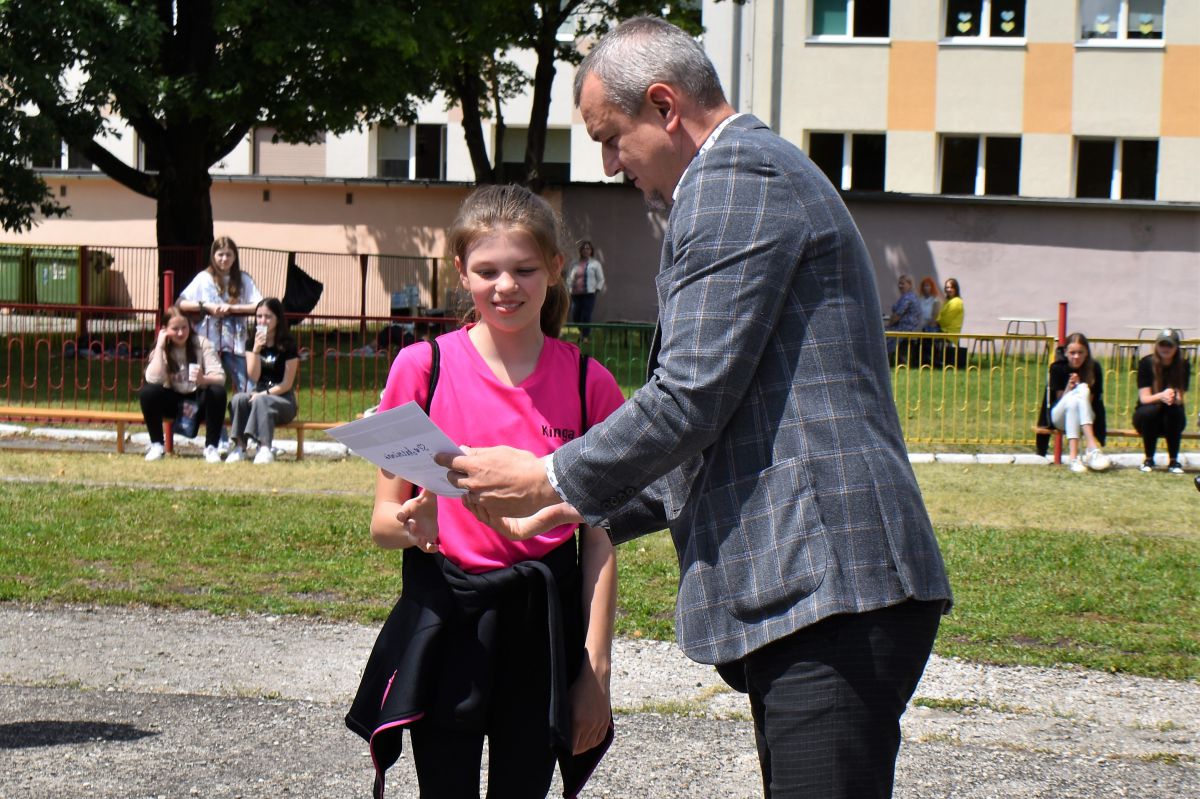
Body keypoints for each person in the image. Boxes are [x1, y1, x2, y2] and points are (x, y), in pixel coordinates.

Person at [436, 17, 952, 799]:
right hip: (822, 588)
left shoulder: (734, 179)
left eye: (611, 138)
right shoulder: (747, 176)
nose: (610, 165)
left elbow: (689, 397)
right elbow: (723, 422)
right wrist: (567, 513)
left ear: (664, 106)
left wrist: (549, 476)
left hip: (831, 587)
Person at [345, 185, 625, 799]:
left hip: (541, 628)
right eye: (487, 270)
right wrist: (415, 527)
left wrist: (595, 673)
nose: (506, 286)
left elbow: (600, 545)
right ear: (460, 273)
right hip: (449, 618)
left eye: (525, 269)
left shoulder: (590, 384)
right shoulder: (422, 368)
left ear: (556, 268)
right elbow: (383, 523)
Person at [138, 305, 227, 462]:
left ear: (190, 326)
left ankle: (211, 447)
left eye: (184, 327)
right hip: (173, 400)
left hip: (197, 398)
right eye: (175, 329)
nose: (180, 333)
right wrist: (160, 346)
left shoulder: (202, 343)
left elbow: (220, 377)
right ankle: (157, 445)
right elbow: (153, 379)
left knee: (217, 392)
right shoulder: (162, 347)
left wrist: (203, 379)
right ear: (165, 329)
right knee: (148, 392)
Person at [177, 236, 263, 395]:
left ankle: (241, 408)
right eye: (220, 254)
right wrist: (206, 306)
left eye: (228, 254)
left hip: (236, 343)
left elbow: (260, 305)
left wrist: (234, 309)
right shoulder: (203, 278)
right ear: (213, 256)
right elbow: (180, 303)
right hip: (208, 342)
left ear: (235, 257)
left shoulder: (243, 279)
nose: (224, 259)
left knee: (248, 387)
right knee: (203, 385)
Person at [225, 298, 299, 465]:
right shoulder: (251, 343)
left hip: (283, 399)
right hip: (259, 394)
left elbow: (286, 384)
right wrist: (256, 350)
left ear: (278, 319)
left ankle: (265, 448)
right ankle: (240, 448)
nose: (262, 321)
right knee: (239, 399)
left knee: (262, 400)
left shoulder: (288, 345)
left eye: (268, 317)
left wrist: (264, 394)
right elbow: (254, 376)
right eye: (259, 316)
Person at [1044, 333, 1111, 473]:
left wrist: (1079, 387)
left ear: (1087, 353)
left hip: (1086, 415)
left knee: (1081, 392)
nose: (1076, 357)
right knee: (1075, 396)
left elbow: (1089, 402)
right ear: (1065, 352)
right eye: (1072, 353)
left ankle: (1074, 458)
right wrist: (1069, 388)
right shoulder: (1057, 368)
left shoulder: (1094, 368)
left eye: (1080, 353)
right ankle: (1092, 448)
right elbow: (1060, 401)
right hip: (1060, 416)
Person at [1133, 327, 1190, 474]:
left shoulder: (1183, 365)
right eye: (1162, 344)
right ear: (1156, 345)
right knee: (1150, 411)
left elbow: (1180, 399)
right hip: (1145, 418)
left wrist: (1172, 397)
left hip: (1171, 419)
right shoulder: (1146, 363)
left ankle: (1173, 461)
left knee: (1174, 410)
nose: (1165, 348)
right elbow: (1144, 398)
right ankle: (1148, 459)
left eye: (1169, 345)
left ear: (1176, 347)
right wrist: (1161, 396)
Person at [567, 240, 606, 343]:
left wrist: (597, 289)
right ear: (580, 250)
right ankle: (583, 333)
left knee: (586, 315)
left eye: (588, 248)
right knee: (575, 315)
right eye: (584, 248)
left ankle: (585, 336)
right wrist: (569, 288)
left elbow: (601, 279)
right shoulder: (574, 263)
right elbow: (569, 278)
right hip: (575, 294)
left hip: (589, 294)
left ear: (591, 251)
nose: (586, 250)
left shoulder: (595, 264)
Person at [885, 274, 923, 363]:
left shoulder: (907, 297)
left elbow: (897, 315)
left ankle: (885, 360)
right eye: (899, 283)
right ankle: (893, 359)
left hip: (905, 328)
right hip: (907, 327)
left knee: (882, 333)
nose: (900, 286)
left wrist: (888, 325)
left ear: (909, 284)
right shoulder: (910, 296)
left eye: (902, 283)